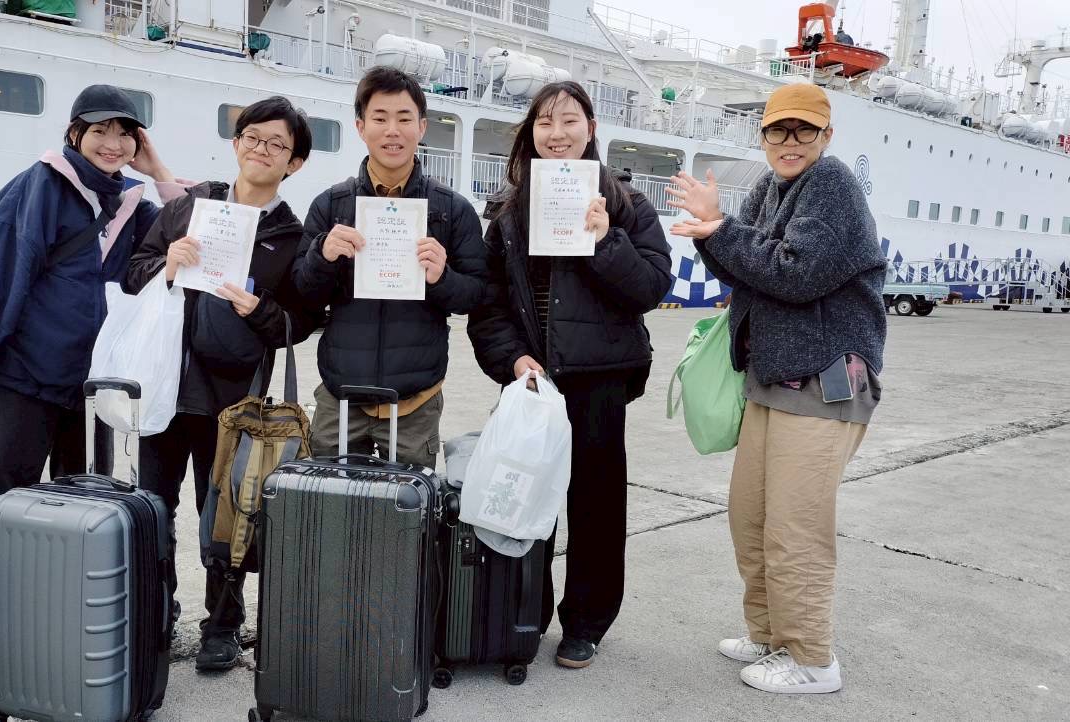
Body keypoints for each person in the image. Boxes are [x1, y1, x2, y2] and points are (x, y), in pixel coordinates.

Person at [668, 82, 886, 694]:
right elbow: (746, 264)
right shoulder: (771, 188)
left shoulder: (834, 186)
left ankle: (813, 658)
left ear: (825, 136)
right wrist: (716, 232)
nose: (789, 142)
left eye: (804, 131)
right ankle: (769, 633)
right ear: (762, 134)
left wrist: (721, 227)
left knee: (796, 525)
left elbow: (794, 274)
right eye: (778, 131)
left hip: (825, 381)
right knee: (753, 517)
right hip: (772, 379)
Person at [466, 81, 673, 669]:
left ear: (590, 128)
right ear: (530, 135)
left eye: (569, 121)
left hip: (601, 376)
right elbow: (489, 303)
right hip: (533, 381)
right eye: (544, 123)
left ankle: (585, 622)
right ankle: (523, 616)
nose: (557, 134)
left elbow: (653, 288)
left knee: (596, 506)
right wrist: (511, 360)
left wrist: (606, 240)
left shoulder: (628, 205)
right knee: (524, 499)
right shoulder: (508, 212)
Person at [122, 96, 320, 673]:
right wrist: (170, 263)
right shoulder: (191, 206)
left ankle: (222, 626)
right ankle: (154, 615)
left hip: (234, 400)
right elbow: (134, 272)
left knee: (227, 515)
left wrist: (258, 309)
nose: (261, 150)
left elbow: (299, 323)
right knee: (154, 509)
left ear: (295, 163)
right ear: (236, 144)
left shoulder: (293, 235)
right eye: (253, 138)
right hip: (166, 384)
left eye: (277, 145)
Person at [0, 84, 190, 520]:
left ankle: (70, 587)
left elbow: (185, 227)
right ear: (74, 135)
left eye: (125, 134)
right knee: (10, 498)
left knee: (85, 502)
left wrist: (157, 170)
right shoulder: (41, 185)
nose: (112, 144)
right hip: (26, 372)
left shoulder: (128, 203)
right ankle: (7, 583)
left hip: (89, 379)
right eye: (99, 131)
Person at [293, 66, 488, 468]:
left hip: (415, 399)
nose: (392, 130)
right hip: (340, 394)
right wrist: (322, 255)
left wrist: (442, 278)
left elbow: (478, 293)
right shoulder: (331, 205)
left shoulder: (452, 210)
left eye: (403, 118)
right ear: (361, 127)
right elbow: (303, 292)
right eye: (380, 119)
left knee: (407, 516)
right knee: (330, 509)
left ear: (422, 126)